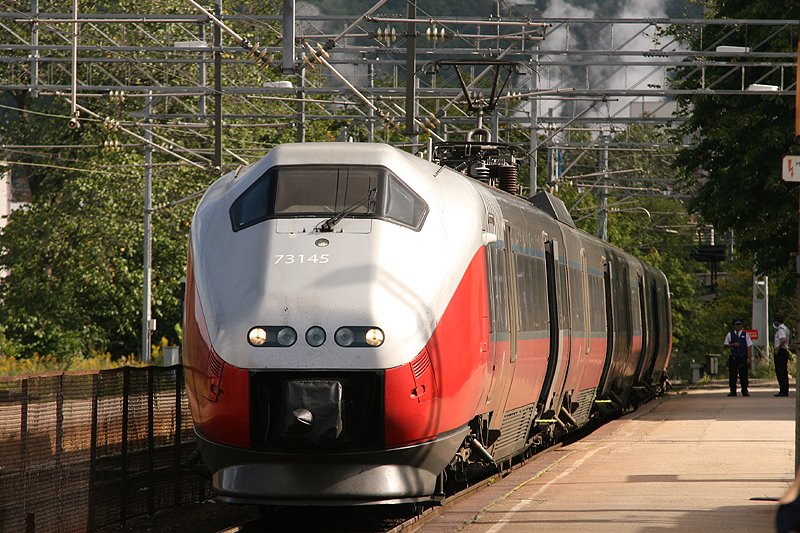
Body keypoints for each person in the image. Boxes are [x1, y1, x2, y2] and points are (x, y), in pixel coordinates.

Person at [723, 318, 752, 396]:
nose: (738, 326)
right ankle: (733, 391)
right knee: (732, 375)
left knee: (744, 375)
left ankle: (745, 390)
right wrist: (732, 345)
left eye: (739, 325)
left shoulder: (746, 335)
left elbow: (749, 346)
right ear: (734, 326)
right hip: (734, 357)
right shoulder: (730, 334)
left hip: (743, 357)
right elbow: (725, 345)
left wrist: (749, 357)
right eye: (736, 325)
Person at [774, 315, 791, 397]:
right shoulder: (785, 328)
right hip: (784, 351)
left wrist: (778, 348)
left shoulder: (781, 329)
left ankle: (783, 391)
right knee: (783, 371)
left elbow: (783, 339)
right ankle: (784, 390)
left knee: (780, 371)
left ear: (777, 321)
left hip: (781, 352)